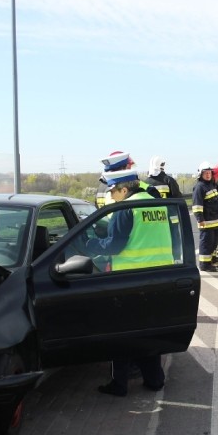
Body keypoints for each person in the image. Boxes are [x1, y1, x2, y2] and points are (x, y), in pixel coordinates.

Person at [85, 168, 170, 396]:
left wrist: (90, 245)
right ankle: (155, 380)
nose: (111, 196)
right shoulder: (154, 202)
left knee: (120, 335)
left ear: (124, 189)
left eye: (113, 191)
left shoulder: (126, 208)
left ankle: (119, 384)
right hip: (160, 277)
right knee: (148, 332)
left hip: (130, 280)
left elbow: (115, 245)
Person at [192, 161, 218, 272]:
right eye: (205, 173)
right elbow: (197, 205)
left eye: (209, 172)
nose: (208, 174)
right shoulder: (199, 187)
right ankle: (204, 265)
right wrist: (200, 219)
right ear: (200, 174)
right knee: (206, 244)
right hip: (206, 222)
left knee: (213, 243)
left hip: (215, 222)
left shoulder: (211, 185)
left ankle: (209, 262)